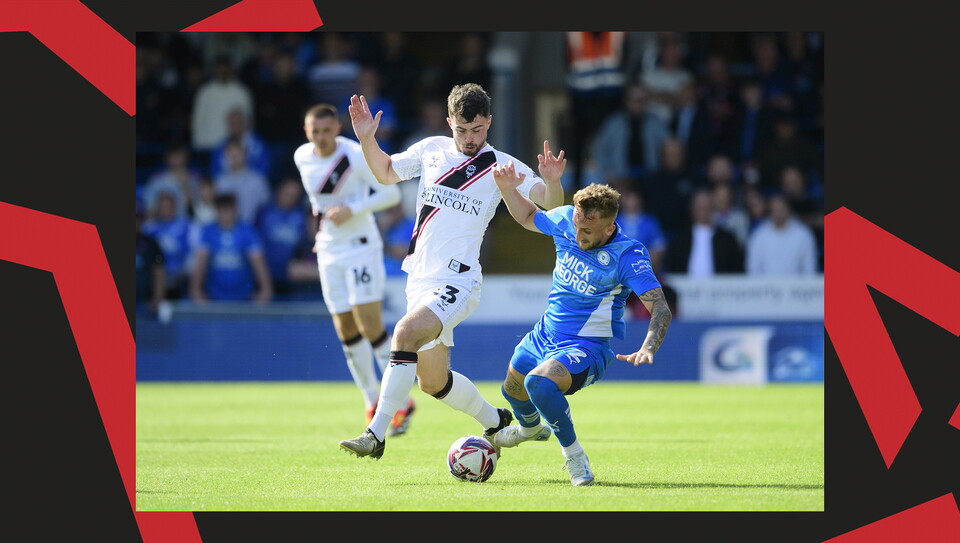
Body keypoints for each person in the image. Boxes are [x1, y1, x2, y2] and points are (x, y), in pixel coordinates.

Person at [338, 83, 565, 459]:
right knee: (432, 381)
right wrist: (366, 140)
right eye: (462, 130)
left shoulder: (501, 165)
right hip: (420, 278)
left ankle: (375, 435)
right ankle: (497, 421)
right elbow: (386, 172)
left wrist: (553, 181)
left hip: (458, 280)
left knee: (404, 333)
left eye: (477, 130)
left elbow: (546, 203)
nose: (470, 138)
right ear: (449, 122)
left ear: (489, 123)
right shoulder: (430, 149)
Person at [487, 179, 672, 486]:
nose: (577, 235)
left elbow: (661, 309)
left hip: (586, 348)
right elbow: (527, 217)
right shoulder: (565, 220)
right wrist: (507, 188)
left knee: (539, 384)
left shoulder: (628, 254)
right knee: (511, 391)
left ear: (609, 229)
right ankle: (529, 429)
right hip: (543, 334)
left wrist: (649, 346)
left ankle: (575, 456)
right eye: (576, 226)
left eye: (587, 231)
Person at [294, 104, 415, 435]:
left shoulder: (353, 155)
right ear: (307, 132)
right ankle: (371, 399)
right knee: (344, 327)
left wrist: (353, 208)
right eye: (314, 131)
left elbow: (390, 194)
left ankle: (400, 400)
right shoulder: (301, 157)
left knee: (369, 323)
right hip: (328, 249)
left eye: (326, 130)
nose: (320, 137)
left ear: (337, 128)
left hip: (361, 245)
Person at [189, 193, 273, 304]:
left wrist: (265, 289)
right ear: (217, 212)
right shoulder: (208, 231)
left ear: (235, 211)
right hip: (214, 298)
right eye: (222, 211)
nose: (225, 215)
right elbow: (200, 263)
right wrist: (196, 290)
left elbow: (258, 262)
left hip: (244, 298)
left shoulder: (247, 232)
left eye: (228, 210)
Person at [745, 193, 818, 275]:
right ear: (770, 212)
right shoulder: (759, 235)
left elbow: (809, 267)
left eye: (781, 209)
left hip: (796, 286)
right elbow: (753, 268)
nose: (778, 213)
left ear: (789, 210)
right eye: (774, 210)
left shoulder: (803, 234)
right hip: (766, 286)